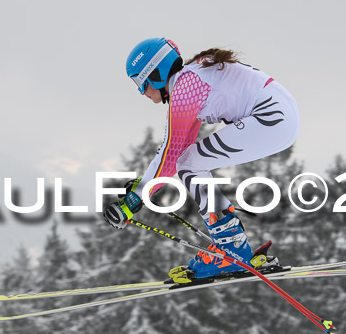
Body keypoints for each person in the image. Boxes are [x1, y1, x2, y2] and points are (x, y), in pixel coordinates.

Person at [103, 37, 300, 283]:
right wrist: (144, 186)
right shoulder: (191, 81)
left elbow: (171, 153)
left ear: (155, 74)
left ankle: (231, 249)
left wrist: (134, 200)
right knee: (190, 161)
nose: (142, 92)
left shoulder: (186, 88)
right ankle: (231, 245)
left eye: (140, 82)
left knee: (188, 163)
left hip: (271, 118)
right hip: (279, 117)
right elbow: (179, 146)